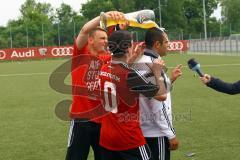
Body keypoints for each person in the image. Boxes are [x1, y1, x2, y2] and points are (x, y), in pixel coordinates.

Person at [65, 11, 126, 160]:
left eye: (107, 38)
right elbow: (85, 30)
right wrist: (103, 17)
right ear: (90, 40)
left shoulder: (106, 57)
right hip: (82, 119)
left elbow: (121, 54)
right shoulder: (80, 54)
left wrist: (121, 28)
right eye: (102, 39)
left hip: (103, 120)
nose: (106, 41)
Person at [99, 30, 167, 160]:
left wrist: (134, 57)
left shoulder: (104, 69)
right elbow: (161, 95)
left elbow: (121, 73)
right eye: (131, 44)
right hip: (128, 139)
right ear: (128, 48)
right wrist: (157, 72)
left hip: (106, 138)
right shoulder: (131, 75)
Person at [133, 27, 182, 160]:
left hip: (149, 131)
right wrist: (170, 134)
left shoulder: (145, 61)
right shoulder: (151, 64)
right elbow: (158, 104)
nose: (169, 44)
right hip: (156, 133)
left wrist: (170, 80)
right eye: (166, 42)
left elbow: (152, 92)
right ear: (157, 44)